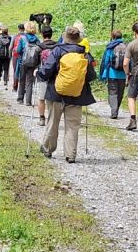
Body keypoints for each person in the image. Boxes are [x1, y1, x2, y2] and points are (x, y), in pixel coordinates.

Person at [36, 23, 96, 163]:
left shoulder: (57, 51)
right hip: (77, 95)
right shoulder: (85, 54)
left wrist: (38, 74)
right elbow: (91, 76)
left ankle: (48, 149)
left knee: (52, 122)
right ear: (78, 39)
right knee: (72, 125)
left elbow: (46, 71)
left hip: (56, 94)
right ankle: (70, 155)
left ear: (66, 38)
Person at [99, 28, 128, 119]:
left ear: (113, 37)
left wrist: (102, 74)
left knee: (112, 93)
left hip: (112, 74)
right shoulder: (126, 46)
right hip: (123, 74)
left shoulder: (110, 47)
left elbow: (106, 61)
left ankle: (114, 112)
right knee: (120, 93)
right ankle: (116, 109)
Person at [34, 24, 59, 125]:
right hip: (54, 76)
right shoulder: (57, 46)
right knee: (52, 99)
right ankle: (51, 119)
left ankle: (41, 118)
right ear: (51, 34)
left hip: (42, 75)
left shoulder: (39, 47)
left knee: (41, 98)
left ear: (42, 34)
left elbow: (35, 62)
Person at [16, 22, 42, 105]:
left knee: (22, 80)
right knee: (30, 81)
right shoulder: (37, 40)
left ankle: (20, 99)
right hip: (33, 63)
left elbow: (18, 50)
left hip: (23, 62)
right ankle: (28, 101)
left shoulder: (22, 38)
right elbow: (39, 51)